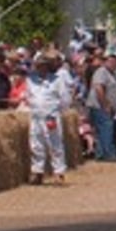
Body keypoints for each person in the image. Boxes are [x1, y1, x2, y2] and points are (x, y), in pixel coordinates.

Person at [23, 52, 74, 185]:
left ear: (48, 67)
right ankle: (37, 172)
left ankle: (59, 172)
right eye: (39, 66)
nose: (41, 68)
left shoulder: (57, 80)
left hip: (50, 116)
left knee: (55, 144)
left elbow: (65, 99)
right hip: (36, 116)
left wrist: (56, 111)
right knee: (35, 144)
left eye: (44, 66)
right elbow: (28, 96)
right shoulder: (30, 80)